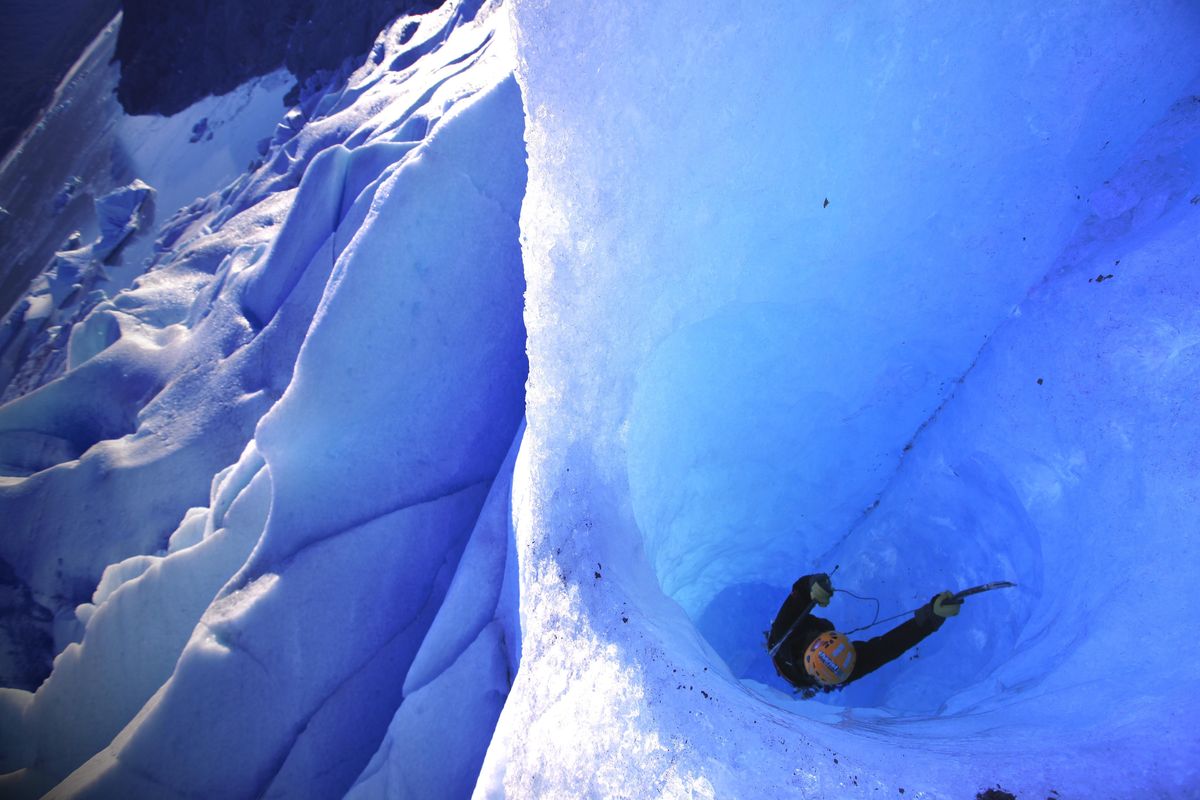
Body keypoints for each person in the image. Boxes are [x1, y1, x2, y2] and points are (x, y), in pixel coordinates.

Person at [767, 573, 960, 695]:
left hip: (793, 654)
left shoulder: (783, 634)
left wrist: (813, 586)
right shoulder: (844, 669)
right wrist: (932, 618)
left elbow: (798, 594)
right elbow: (889, 647)